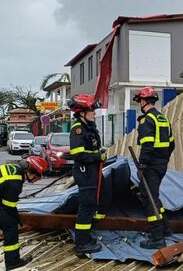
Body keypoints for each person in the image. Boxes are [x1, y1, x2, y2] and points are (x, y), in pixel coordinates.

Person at [133, 87, 175, 249]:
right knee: (154, 197)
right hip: (161, 164)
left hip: (150, 166)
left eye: (140, 101)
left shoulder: (147, 120)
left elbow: (148, 144)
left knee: (149, 198)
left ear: (143, 102)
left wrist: (142, 165)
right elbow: (172, 144)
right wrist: (163, 159)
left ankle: (157, 237)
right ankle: (165, 228)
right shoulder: (163, 119)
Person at [67, 94, 107, 254]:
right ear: (82, 112)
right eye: (92, 110)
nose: (95, 113)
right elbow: (78, 154)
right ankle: (82, 244)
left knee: (91, 205)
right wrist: (98, 156)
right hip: (85, 173)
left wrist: (98, 153)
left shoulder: (88, 127)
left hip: (92, 171)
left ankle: (86, 237)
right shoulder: (78, 129)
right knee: (86, 206)